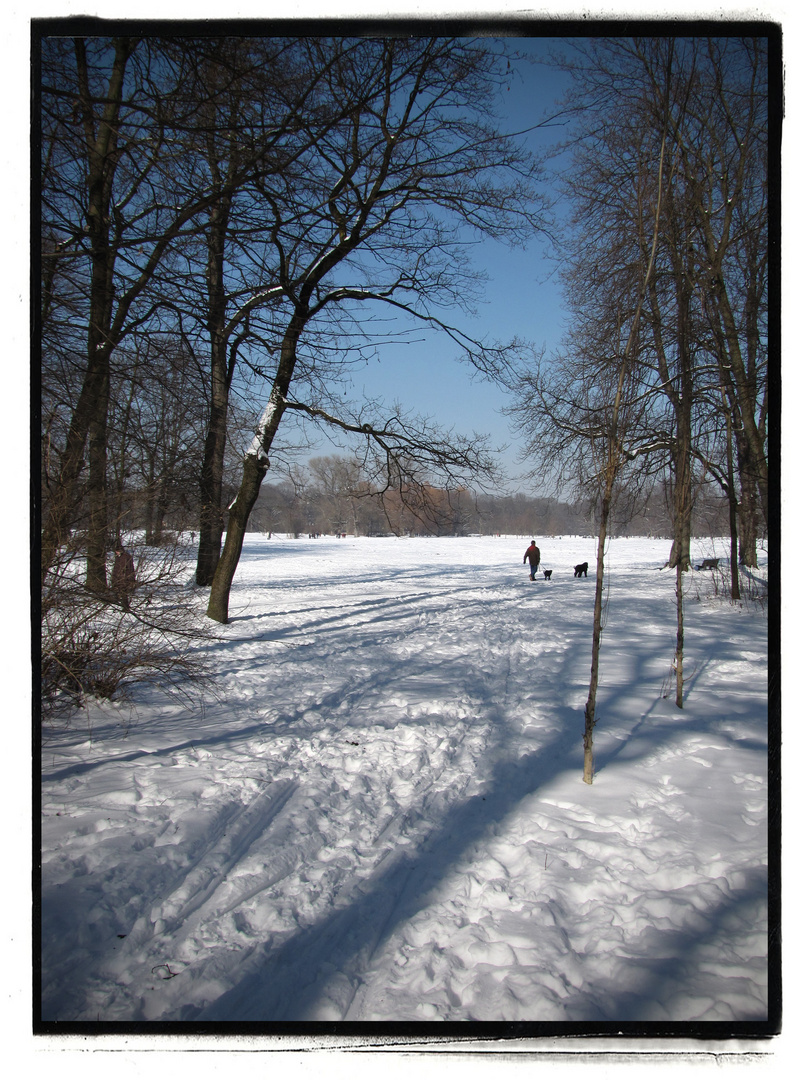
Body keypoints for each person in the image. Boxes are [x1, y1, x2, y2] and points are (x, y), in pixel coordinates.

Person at [112, 543, 136, 611]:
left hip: (124, 577)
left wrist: (130, 577)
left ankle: (125, 607)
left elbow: (129, 568)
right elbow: (116, 568)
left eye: (117, 551)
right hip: (118, 577)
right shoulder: (118, 557)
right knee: (119, 591)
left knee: (123, 592)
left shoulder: (126, 557)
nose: (116, 552)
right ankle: (122, 605)